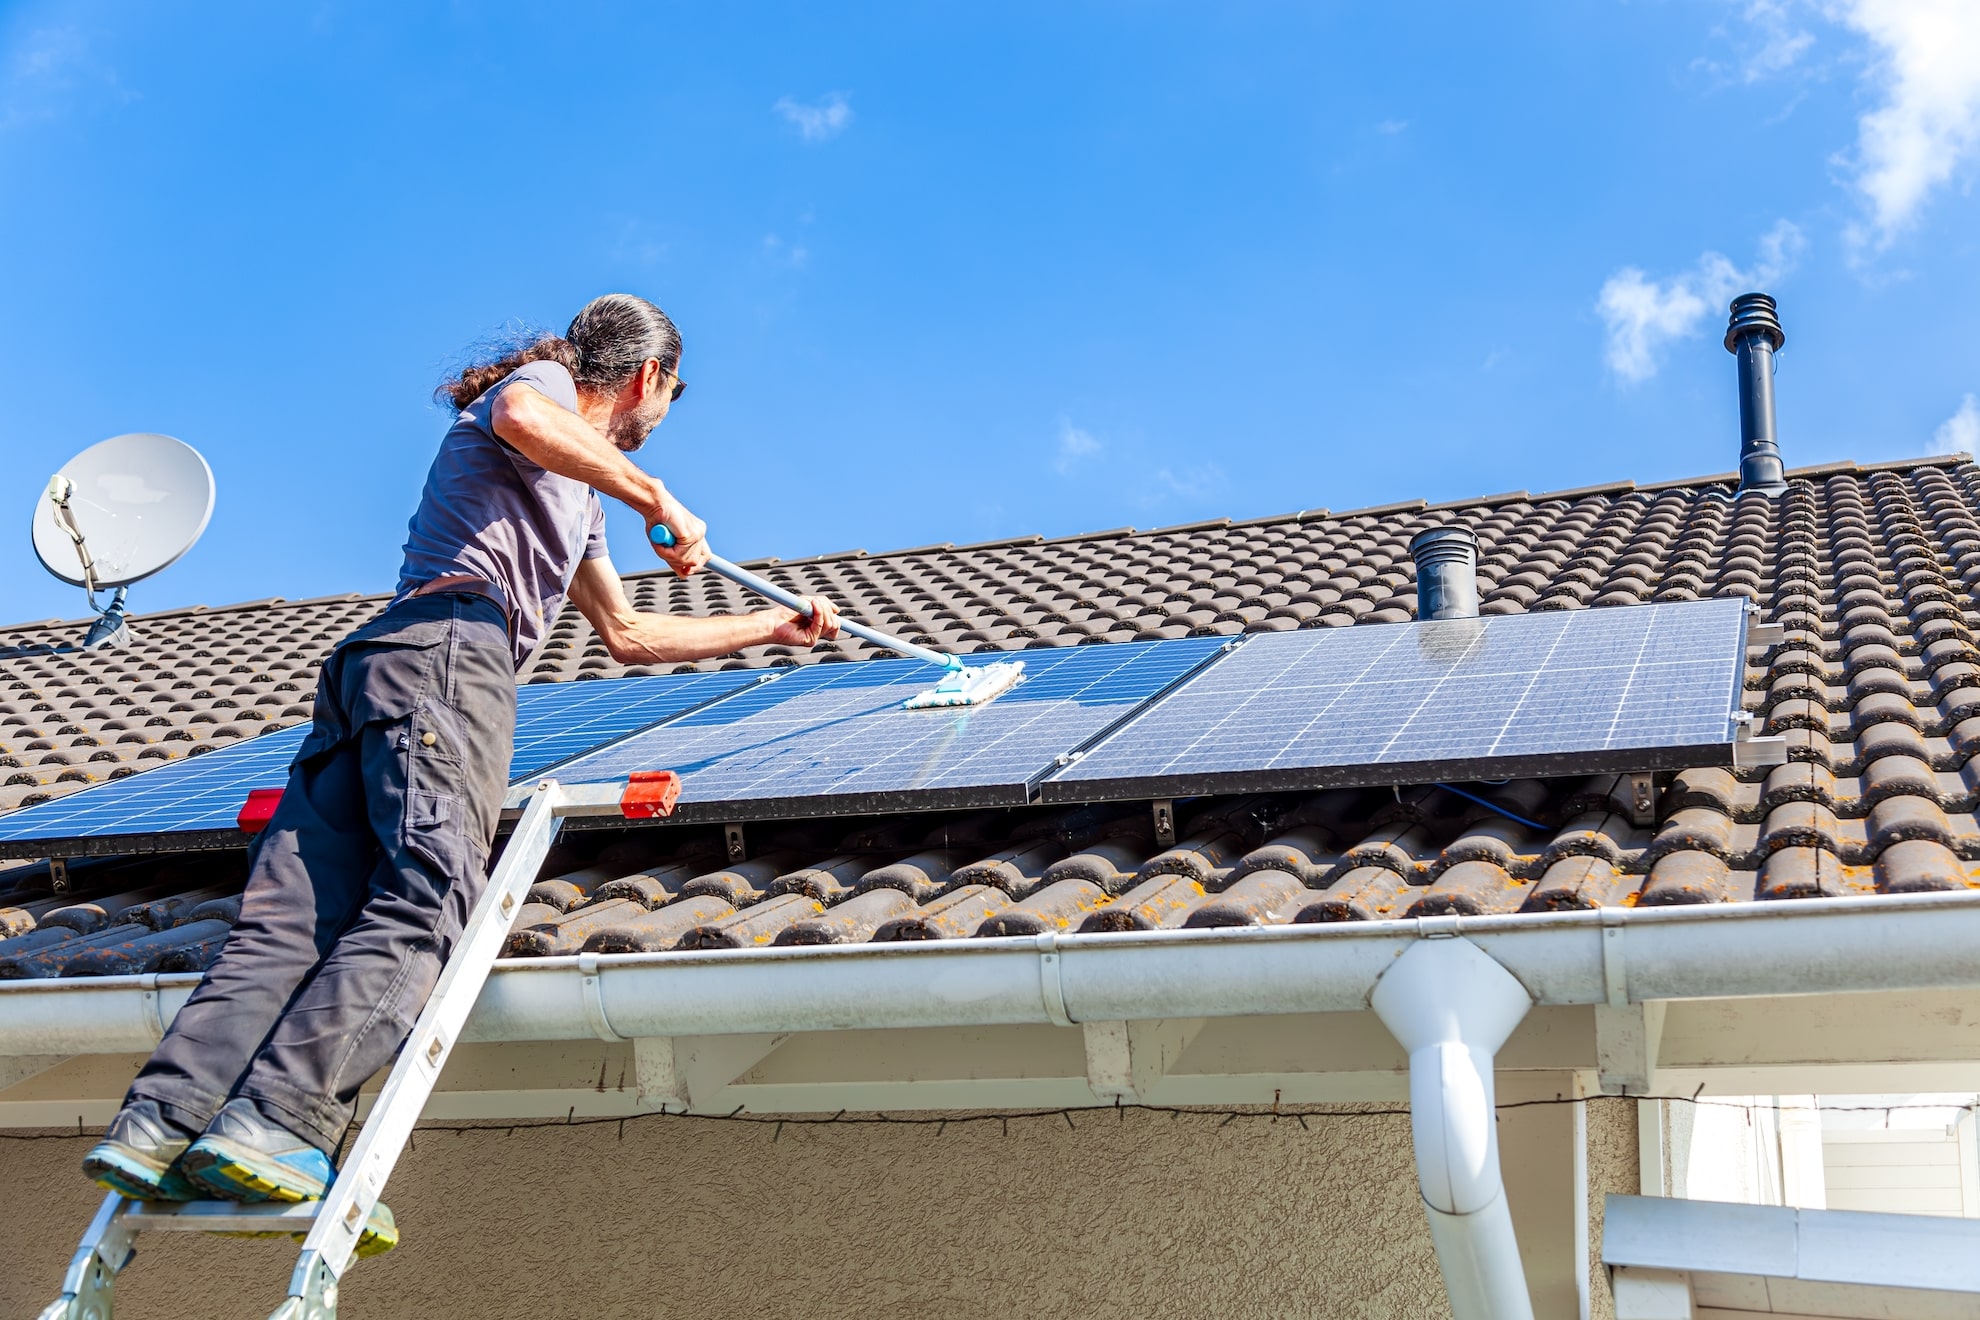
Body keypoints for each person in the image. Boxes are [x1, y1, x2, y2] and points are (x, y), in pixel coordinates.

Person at [80, 294, 840, 1250]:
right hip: (446, 654)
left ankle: (160, 1123)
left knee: (294, 918)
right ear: (649, 377)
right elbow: (529, 419)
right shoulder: (546, 393)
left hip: (376, 669)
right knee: (432, 892)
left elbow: (632, 635)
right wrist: (660, 496)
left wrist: (770, 628)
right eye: (672, 396)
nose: (662, 419)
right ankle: (275, 1122)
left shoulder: (576, 497)